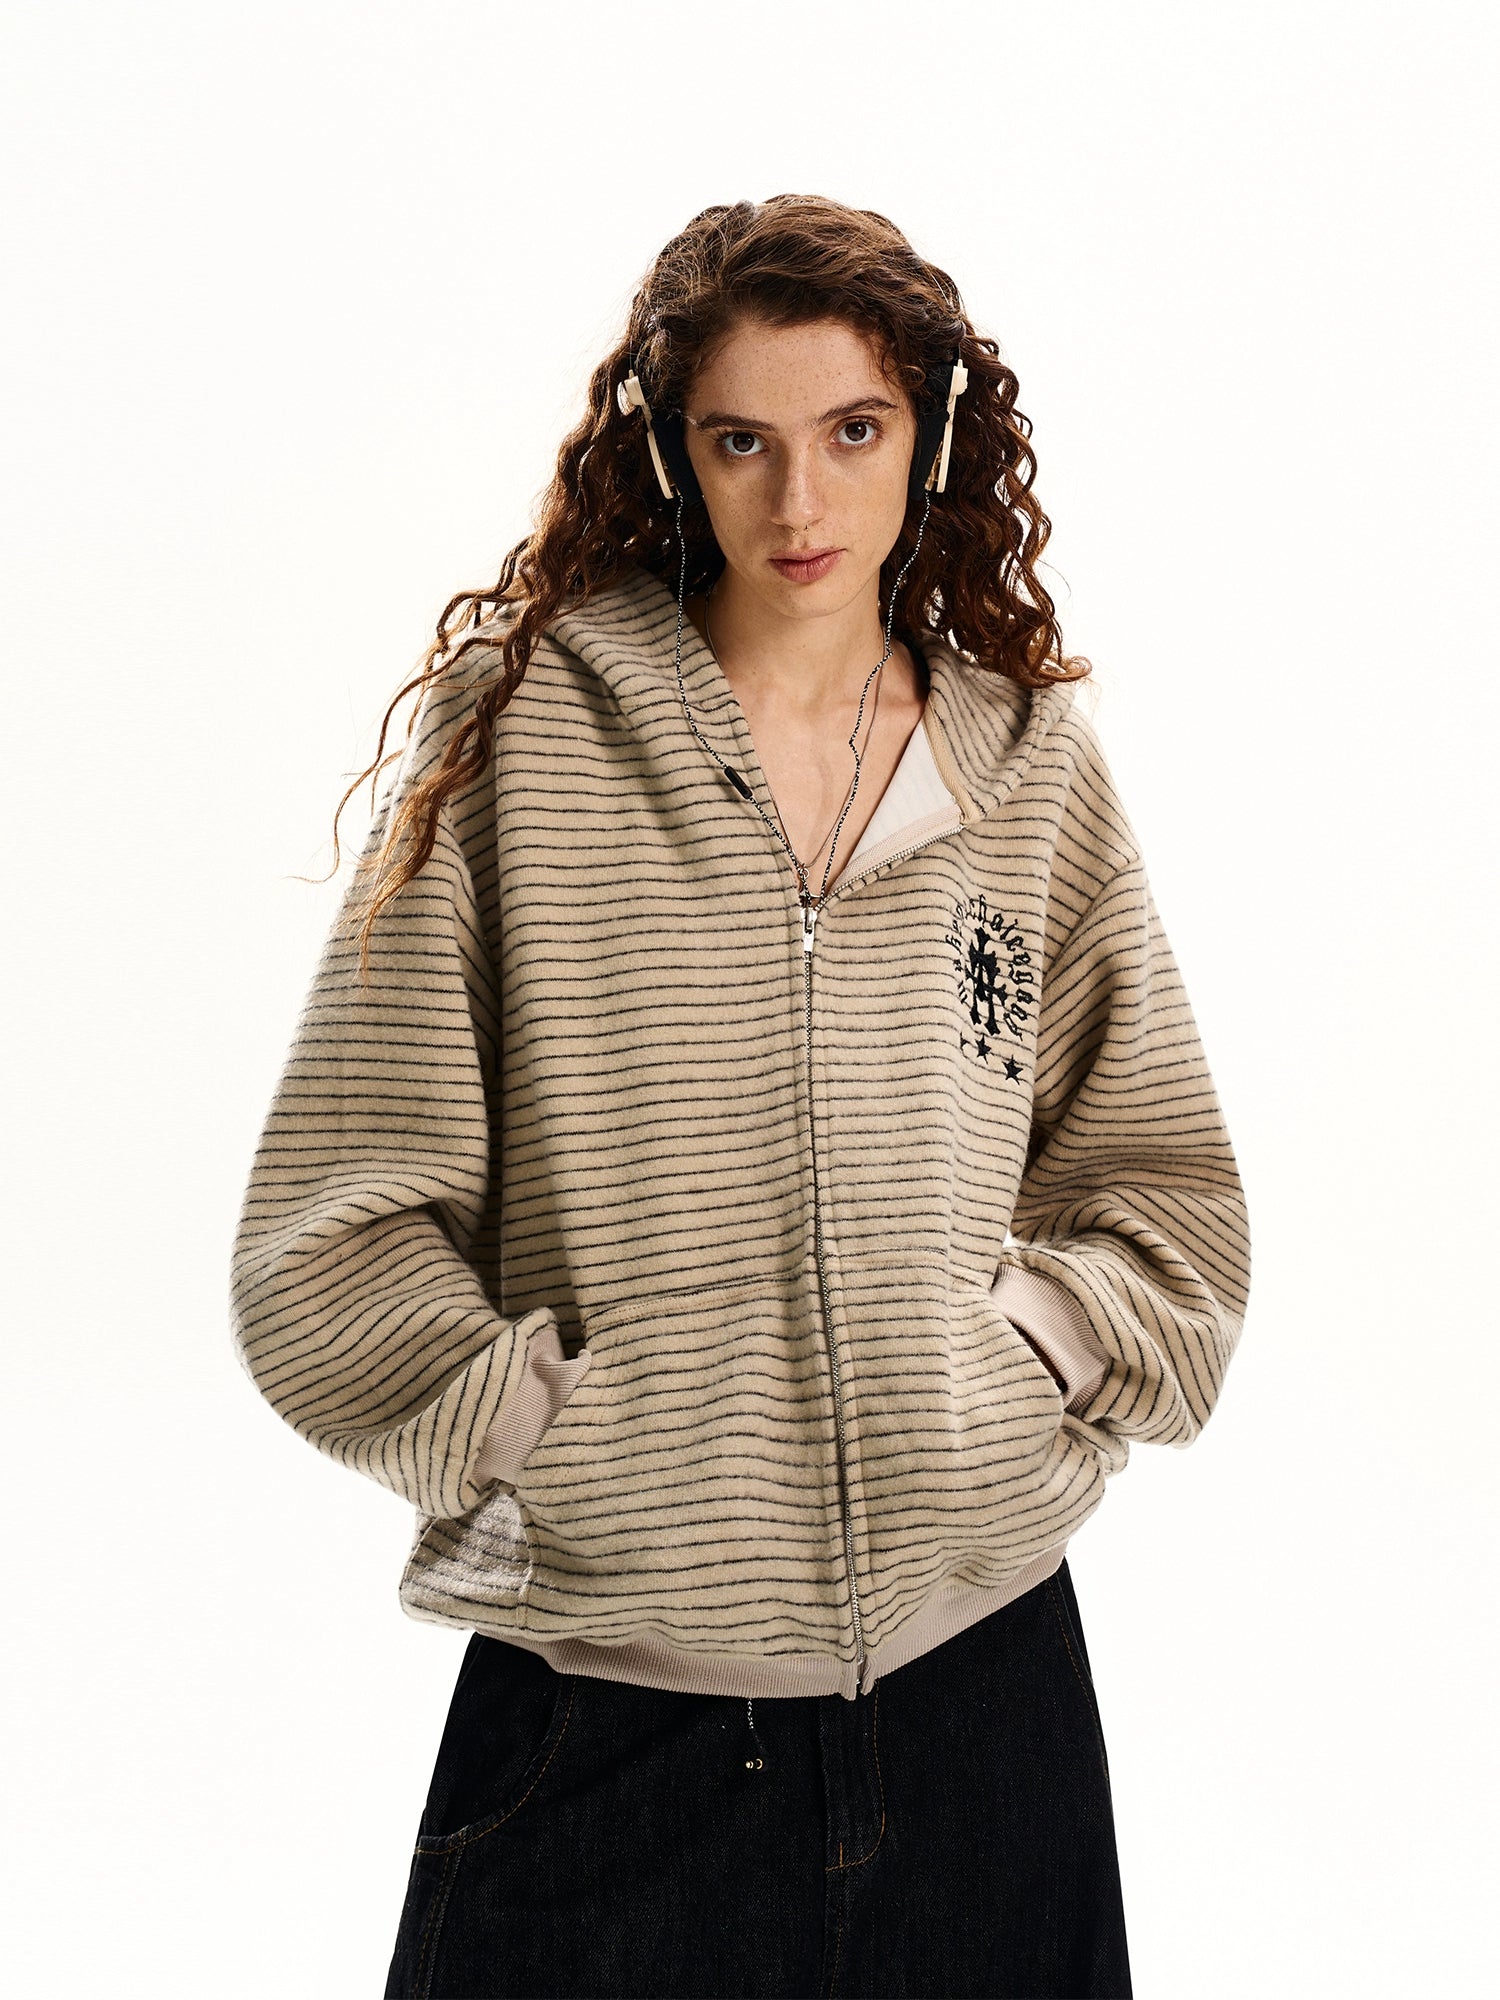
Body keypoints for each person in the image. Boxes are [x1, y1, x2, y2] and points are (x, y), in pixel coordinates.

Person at [229, 193, 1251, 2000]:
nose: (800, 504)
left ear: (931, 432)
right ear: (670, 453)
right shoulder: (526, 742)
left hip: (987, 1710)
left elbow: (1165, 1198)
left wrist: (1015, 1362)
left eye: (853, 430)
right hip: (610, 1729)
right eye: (741, 442)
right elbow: (331, 1235)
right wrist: (560, 1432)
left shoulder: (1022, 765)